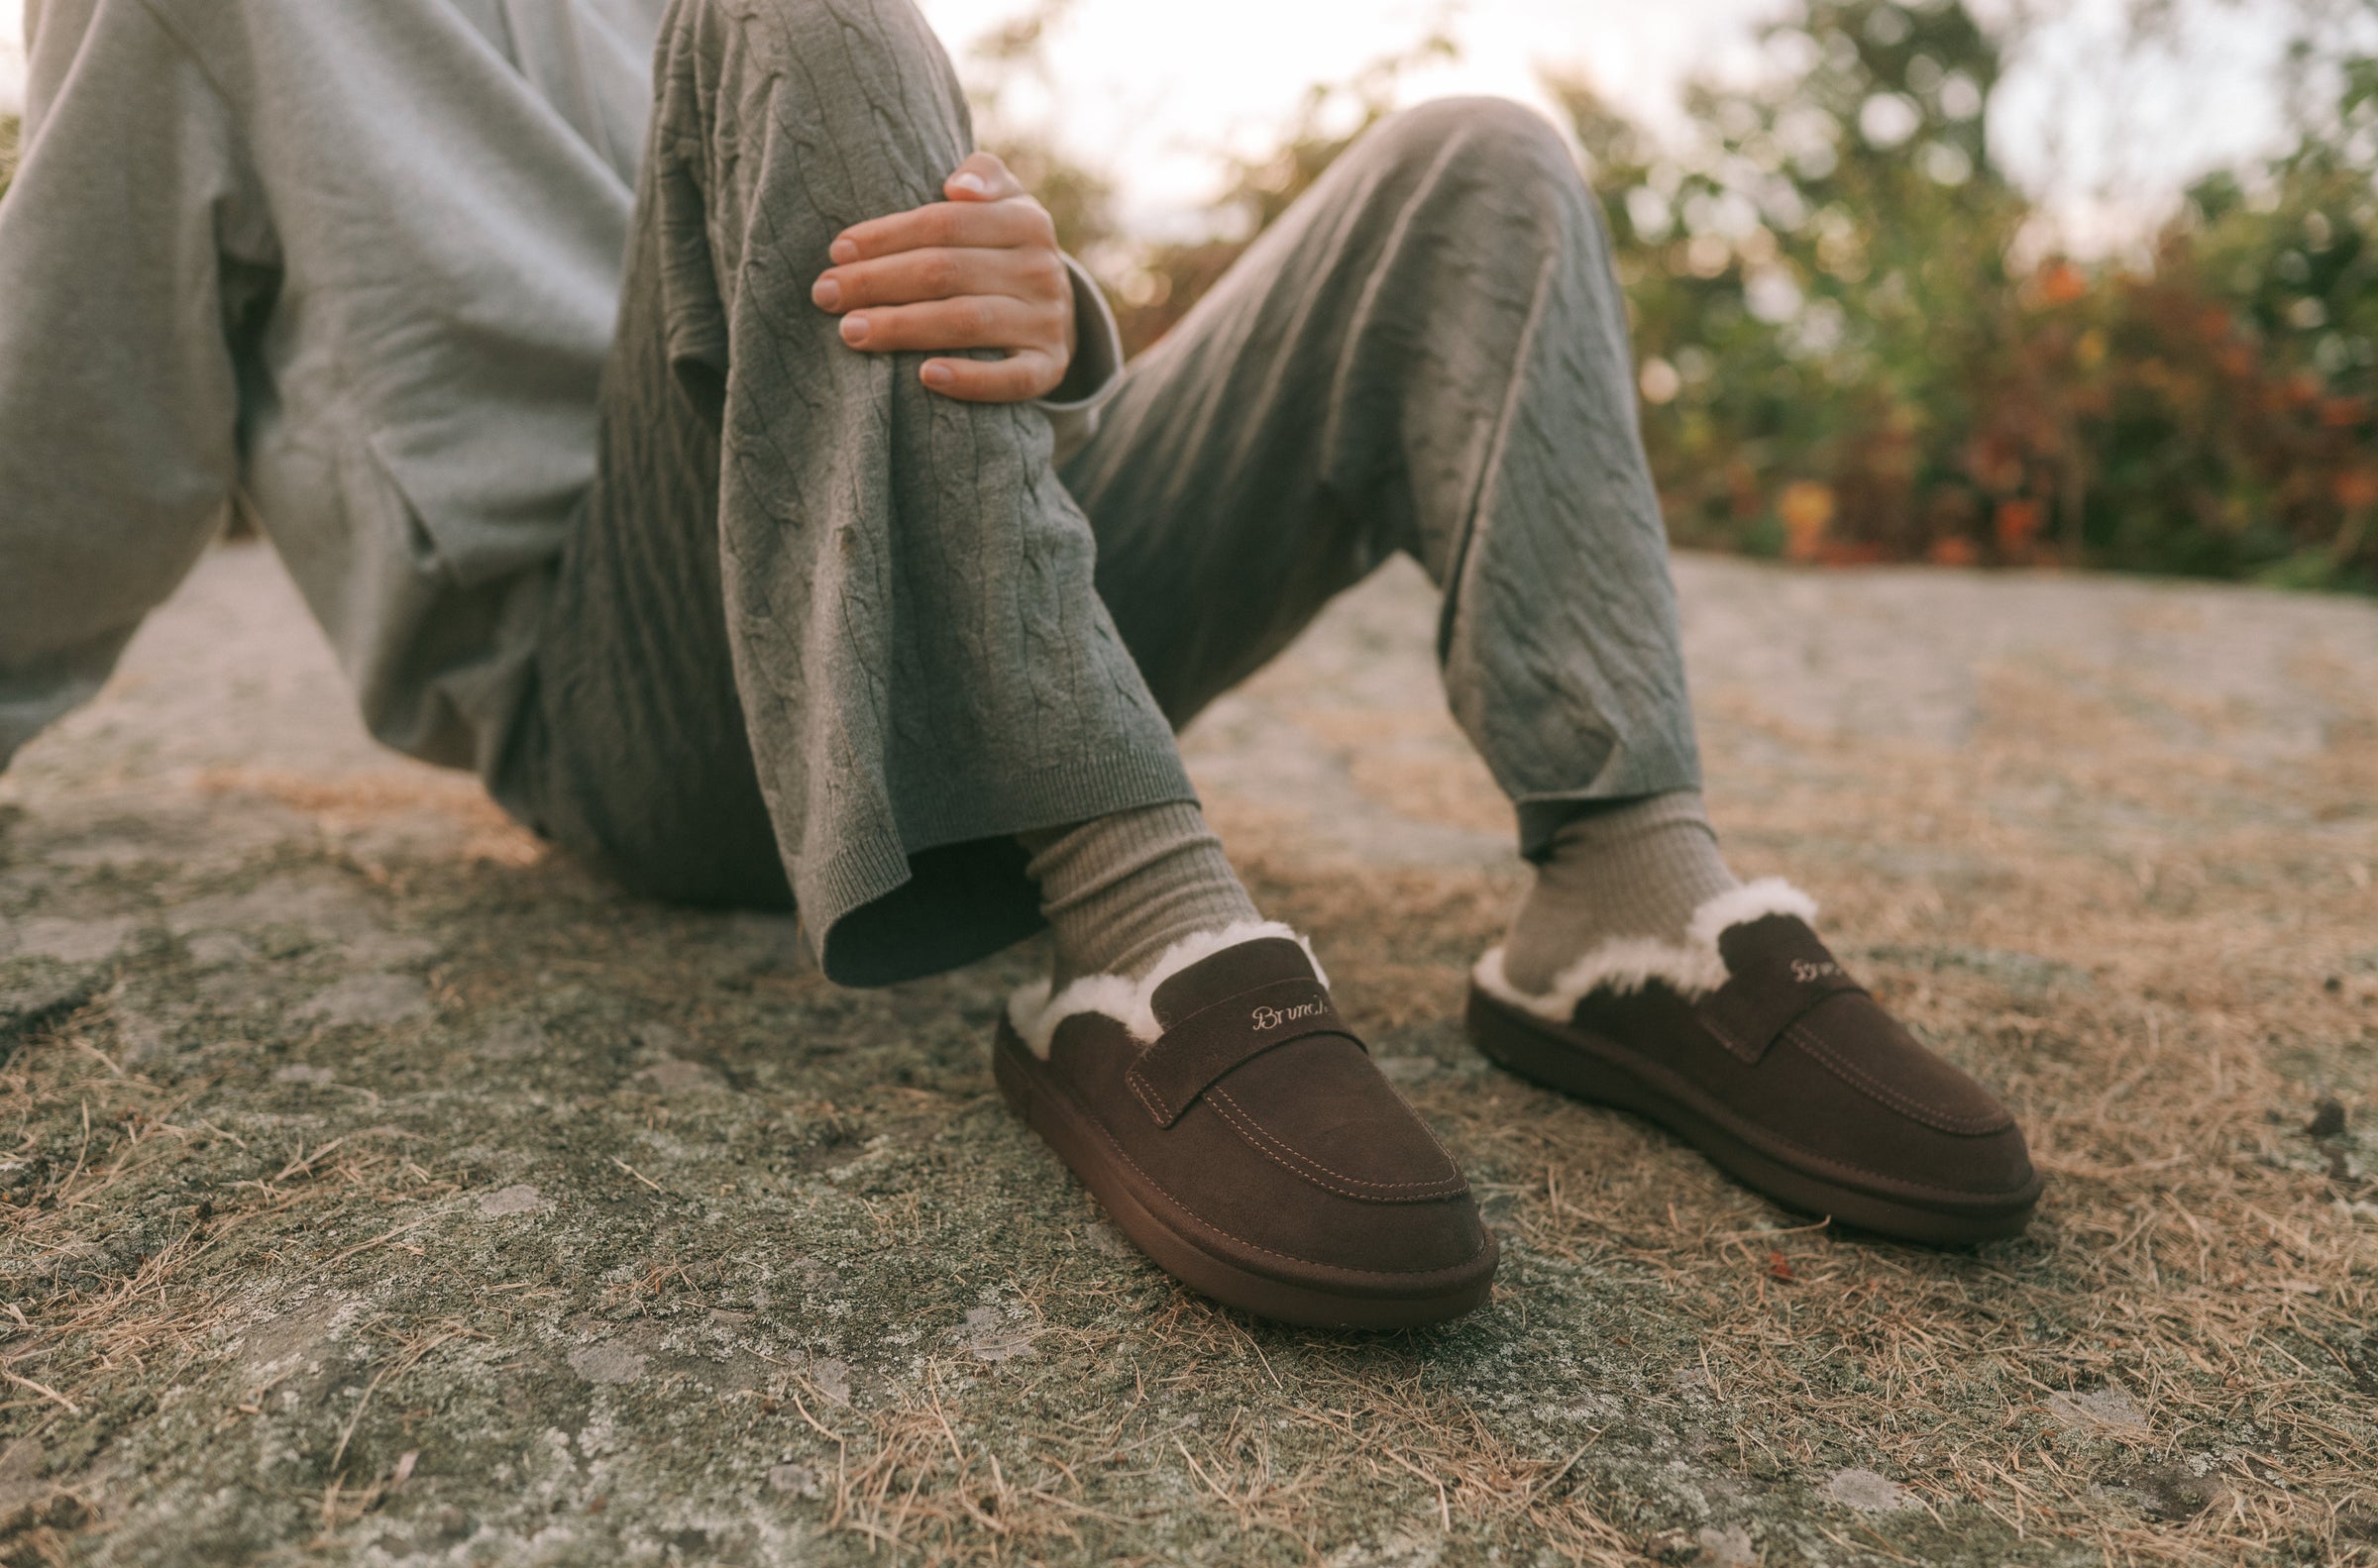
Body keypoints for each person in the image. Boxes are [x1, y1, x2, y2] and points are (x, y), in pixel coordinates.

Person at [0, 0, 2041, 1329]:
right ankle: (1130, 929)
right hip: (643, 707)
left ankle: (1619, 889)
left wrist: (1051, 323)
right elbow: (77, 401)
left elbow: (867, 326)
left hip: (920, 593)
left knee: (1476, 160)